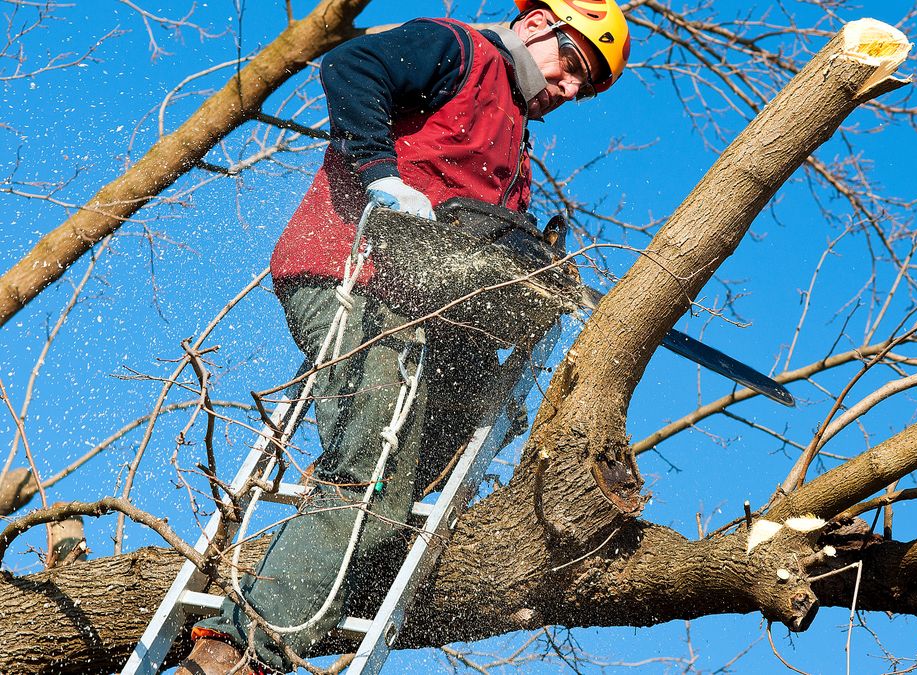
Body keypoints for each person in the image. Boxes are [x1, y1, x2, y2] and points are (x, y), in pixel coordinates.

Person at [179, 2, 630, 673]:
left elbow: (480, 250)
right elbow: (351, 64)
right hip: (348, 273)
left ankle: (315, 573)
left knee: (457, 432)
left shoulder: (516, 152)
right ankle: (243, 651)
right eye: (574, 65)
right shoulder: (456, 50)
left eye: (585, 87)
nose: (569, 89)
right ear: (539, 26)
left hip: (419, 313)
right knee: (371, 464)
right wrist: (381, 172)